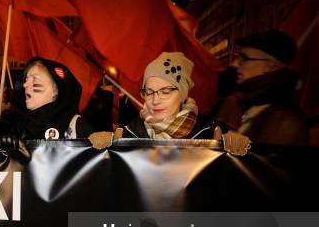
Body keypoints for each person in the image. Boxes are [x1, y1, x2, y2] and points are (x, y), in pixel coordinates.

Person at [89, 52, 250, 155]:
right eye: (149, 92)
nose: (155, 100)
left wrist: (236, 149)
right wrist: (100, 150)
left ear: (183, 94)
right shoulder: (127, 134)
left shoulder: (211, 133)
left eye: (165, 91)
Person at [215, 29, 307, 146]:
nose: (235, 64)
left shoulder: (286, 122)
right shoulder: (248, 103)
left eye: (244, 58)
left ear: (269, 67)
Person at [2, 56, 94, 140]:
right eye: (26, 79)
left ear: (56, 90)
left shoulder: (77, 129)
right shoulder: (19, 126)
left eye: (34, 79)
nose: (25, 84)